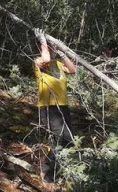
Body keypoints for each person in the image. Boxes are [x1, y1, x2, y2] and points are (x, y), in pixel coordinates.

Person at [33, 27, 77, 183]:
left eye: (53, 48)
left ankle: (51, 167)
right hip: (48, 107)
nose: (52, 51)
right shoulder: (39, 62)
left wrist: (63, 55)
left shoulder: (58, 65)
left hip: (62, 106)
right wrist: (43, 41)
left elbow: (73, 70)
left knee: (68, 139)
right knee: (60, 139)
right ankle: (49, 175)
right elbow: (45, 58)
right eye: (50, 48)